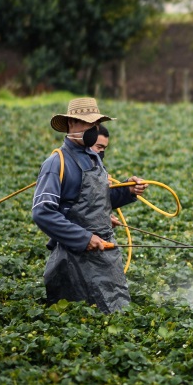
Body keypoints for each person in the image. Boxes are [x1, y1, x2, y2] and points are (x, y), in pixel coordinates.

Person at [31, 97, 147, 313]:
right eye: (87, 124)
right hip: (74, 262)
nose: (93, 129)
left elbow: (97, 200)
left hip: (105, 256)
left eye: (95, 124)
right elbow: (42, 212)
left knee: (119, 316)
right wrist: (84, 238)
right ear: (70, 125)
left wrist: (128, 191)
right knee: (82, 320)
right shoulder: (56, 163)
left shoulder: (94, 158)